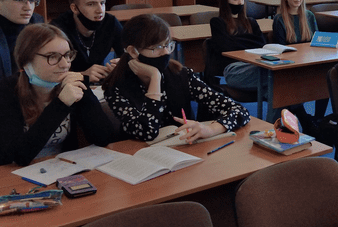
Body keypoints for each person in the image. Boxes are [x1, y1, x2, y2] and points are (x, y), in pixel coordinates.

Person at [103, 14, 249, 143]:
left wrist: (211, 129)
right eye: (156, 47)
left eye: (168, 45)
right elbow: (147, 132)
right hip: (139, 156)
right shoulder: (115, 87)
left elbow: (239, 110)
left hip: (182, 150)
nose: (166, 52)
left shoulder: (180, 75)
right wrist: (155, 78)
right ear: (133, 51)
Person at [0, 23, 114, 167]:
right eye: (52, 57)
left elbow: (104, 137)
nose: (65, 64)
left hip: (59, 168)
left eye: (67, 55)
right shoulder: (1, 92)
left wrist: (85, 92)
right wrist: (61, 104)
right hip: (8, 173)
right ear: (26, 60)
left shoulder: (70, 83)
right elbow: (20, 156)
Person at [272, 0, 328, 128]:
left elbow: (317, 41)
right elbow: (281, 50)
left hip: (309, 62)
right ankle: (306, 121)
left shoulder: (309, 15)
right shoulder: (279, 19)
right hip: (291, 67)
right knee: (292, 91)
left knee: (326, 81)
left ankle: (318, 119)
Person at [51, 0, 124, 81]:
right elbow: (51, 75)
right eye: (91, 4)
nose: (100, 10)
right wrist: (82, 75)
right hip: (69, 85)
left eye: (102, 3)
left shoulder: (110, 22)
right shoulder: (58, 29)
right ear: (74, 8)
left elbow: (129, 54)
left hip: (99, 84)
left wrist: (122, 65)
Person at [209, 0, 267, 92]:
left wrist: (236, 41)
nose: (240, 2)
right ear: (225, 0)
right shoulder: (217, 22)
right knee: (269, 74)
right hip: (233, 70)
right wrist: (250, 42)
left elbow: (262, 45)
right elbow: (225, 48)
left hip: (254, 64)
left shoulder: (251, 22)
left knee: (274, 78)